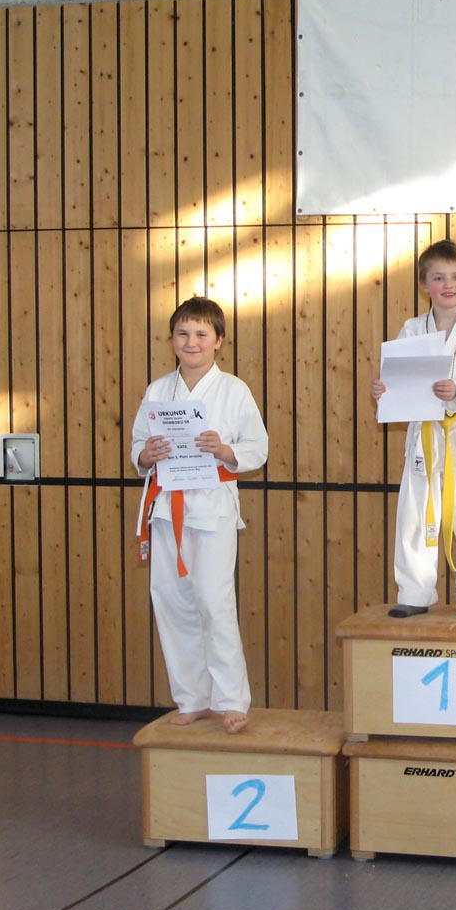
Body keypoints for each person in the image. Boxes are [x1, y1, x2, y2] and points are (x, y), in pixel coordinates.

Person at [131, 296, 268, 734]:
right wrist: (147, 454)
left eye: (201, 334)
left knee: (213, 602)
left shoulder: (234, 390)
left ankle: (230, 700)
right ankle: (191, 697)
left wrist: (223, 449)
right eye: (183, 334)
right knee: (173, 603)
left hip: (212, 510)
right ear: (172, 339)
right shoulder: (158, 391)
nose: (192, 342)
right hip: (166, 510)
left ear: (219, 341)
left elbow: (258, 449)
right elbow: (138, 449)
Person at [371, 239, 456, 619]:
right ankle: (414, 590)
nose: (448, 284)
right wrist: (383, 390)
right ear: (423, 285)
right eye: (438, 277)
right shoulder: (412, 329)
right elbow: (398, 380)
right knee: (417, 514)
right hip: (426, 434)